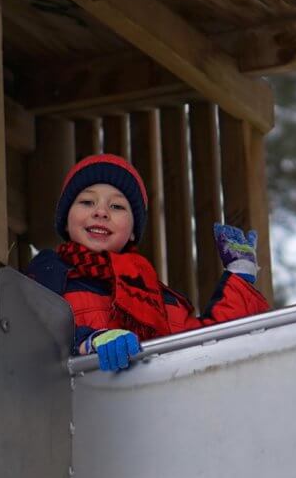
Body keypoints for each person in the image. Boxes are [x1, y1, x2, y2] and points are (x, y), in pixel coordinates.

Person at [26, 153, 270, 371]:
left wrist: (241, 275)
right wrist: (89, 341)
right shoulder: (49, 271)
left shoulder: (159, 298)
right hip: (77, 414)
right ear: (66, 221)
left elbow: (207, 348)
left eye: (117, 206)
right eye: (87, 202)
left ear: (133, 231)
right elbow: (31, 333)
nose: (101, 212)